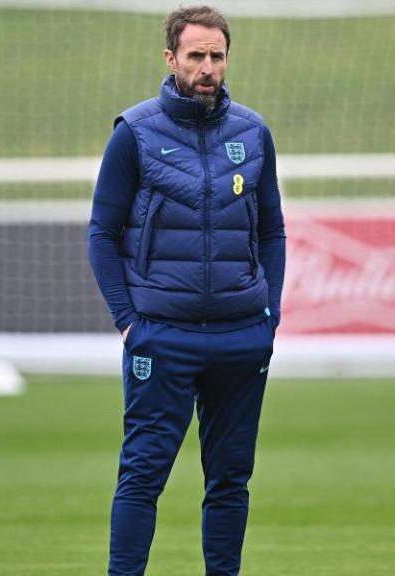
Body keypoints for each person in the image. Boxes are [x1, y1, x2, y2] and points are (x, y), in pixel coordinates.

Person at [87, 5, 285, 575]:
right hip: (161, 335)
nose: (206, 67)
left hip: (241, 337)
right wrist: (129, 321)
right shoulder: (135, 133)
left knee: (230, 479)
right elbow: (102, 232)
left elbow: (272, 229)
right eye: (195, 55)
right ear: (171, 58)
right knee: (142, 477)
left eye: (216, 56)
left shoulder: (253, 131)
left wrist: (267, 317)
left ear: (227, 59)